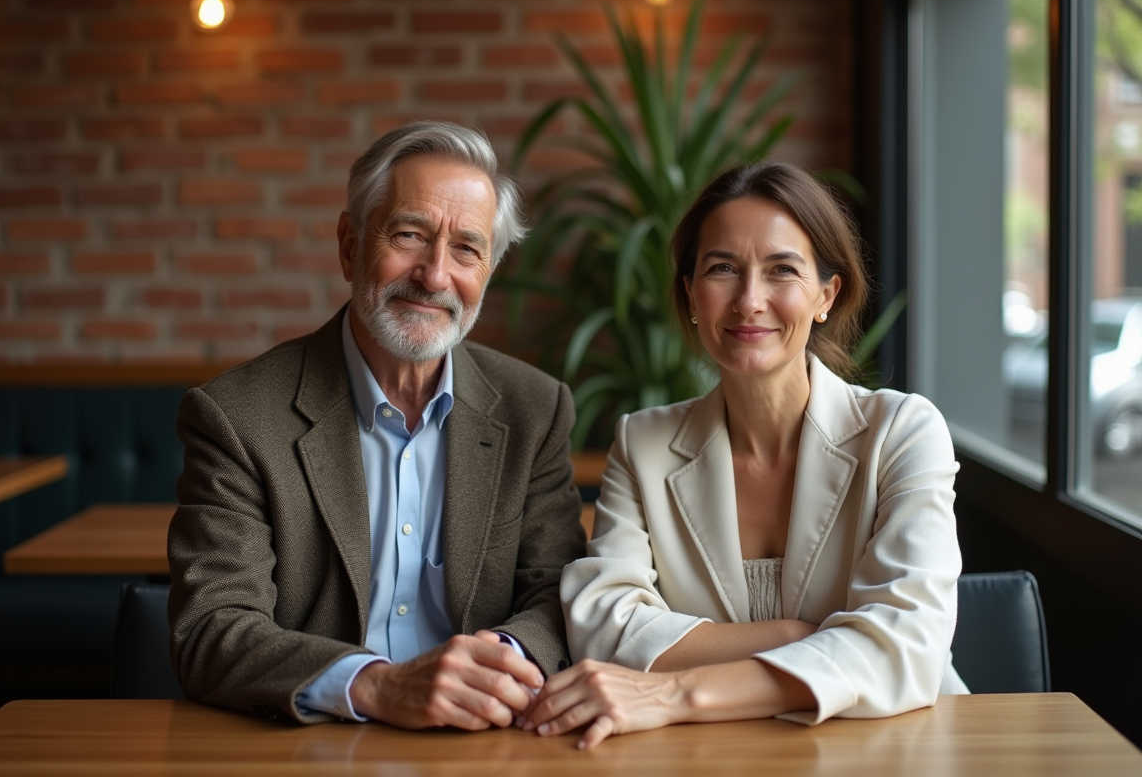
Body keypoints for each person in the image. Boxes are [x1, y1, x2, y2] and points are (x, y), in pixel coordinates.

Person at [521, 161, 968, 749]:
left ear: (825, 296)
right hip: (705, 755)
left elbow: (904, 645)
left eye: (782, 270)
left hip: (891, 745)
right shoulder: (644, 444)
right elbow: (604, 624)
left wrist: (677, 691)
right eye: (722, 269)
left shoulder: (903, 432)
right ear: (690, 296)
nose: (749, 300)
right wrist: (794, 634)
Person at [168, 120, 588, 730]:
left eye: (466, 249)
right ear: (349, 244)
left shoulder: (534, 408)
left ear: (488, 272)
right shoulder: (235, 416)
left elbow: (557, 594)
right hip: (311, 748)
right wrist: (380, 686)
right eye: (410, 234)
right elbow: (211, 628)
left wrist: (491, 669)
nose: (435, 275)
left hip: (485, 744)